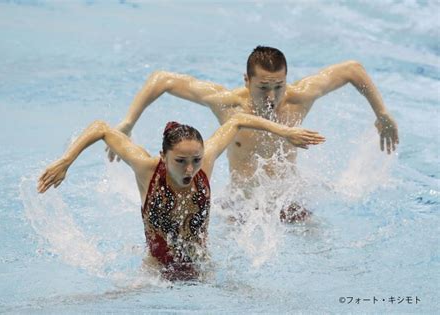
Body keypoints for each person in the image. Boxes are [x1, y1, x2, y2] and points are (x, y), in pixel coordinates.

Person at [107, 46, 399, 222]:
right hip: (240, 208)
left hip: (290, 203)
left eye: (278, 86)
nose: (271, 97)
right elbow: (163, 79)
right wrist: (129, 121)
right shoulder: (228, 105)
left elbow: (352, 69)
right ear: (247, 81)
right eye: (262, 88)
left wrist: (382, 114)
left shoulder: (299, 98)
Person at [37, 113, 325, 281]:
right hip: (155, 274)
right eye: (180, 161)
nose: (190, 169)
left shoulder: (206, 162)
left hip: (202, 265)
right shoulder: (147, 168)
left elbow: (236, 120)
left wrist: (285, 131)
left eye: (196, 160)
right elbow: (100, 127)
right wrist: (66, 161)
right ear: (164, 156)